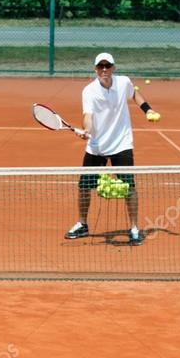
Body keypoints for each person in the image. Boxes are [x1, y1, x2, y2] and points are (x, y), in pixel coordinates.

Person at [65, 51, 160, 245]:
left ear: (113, 68)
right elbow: (88, 115)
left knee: (129, 186)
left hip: (121, 142)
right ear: (95, 69)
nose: (104, 69)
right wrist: (87, 130)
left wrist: (147, 109)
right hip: (97, 145)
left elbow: (135, 94)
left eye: (108, 66)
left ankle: (134, 228)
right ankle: (82, 223)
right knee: (84, 187)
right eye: (101, 66)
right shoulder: (89, 91)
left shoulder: (123, 82)